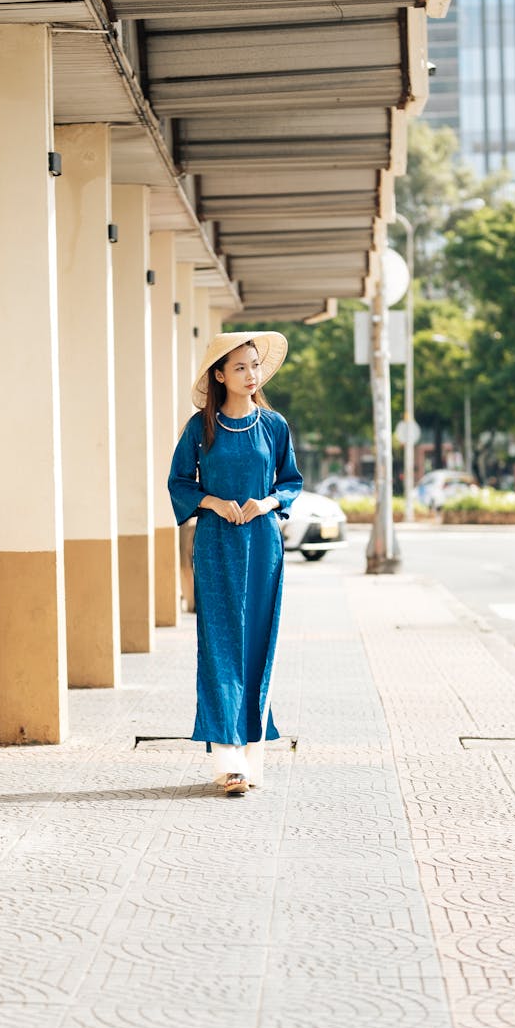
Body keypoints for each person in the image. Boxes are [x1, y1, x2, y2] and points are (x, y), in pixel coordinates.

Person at [168, 331, 303, 797]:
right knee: (221, 647)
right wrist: (213, 501)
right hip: (216, 545)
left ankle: (251, 758)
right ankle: (228, 763)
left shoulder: (274, 426)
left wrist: (268, 504)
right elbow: (179, 483)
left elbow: (290, 481)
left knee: (257, 647)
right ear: (220, 375)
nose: (251, 375)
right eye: (241, 367)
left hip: (263, 548)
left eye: (255, 366)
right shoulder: (199, 429)